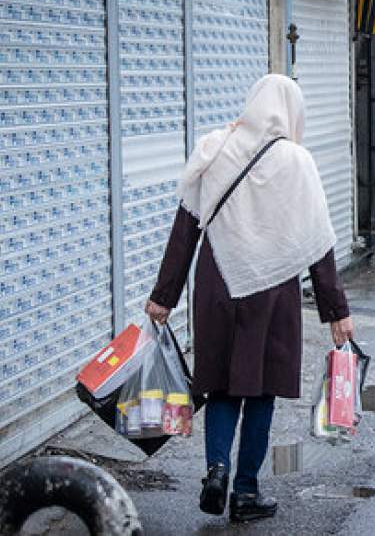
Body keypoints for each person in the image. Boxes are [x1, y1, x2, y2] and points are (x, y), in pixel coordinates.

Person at [144, 75, 355, 522]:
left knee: (220, 384)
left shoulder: (215, 147)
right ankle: (245, 491)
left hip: (216, 282)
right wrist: (336, 311)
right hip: (272, 288)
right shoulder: (297, 161)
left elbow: (185, 229)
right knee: (261, 390)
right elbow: (319, 243)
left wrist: (163, 297)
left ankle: (215, 470)